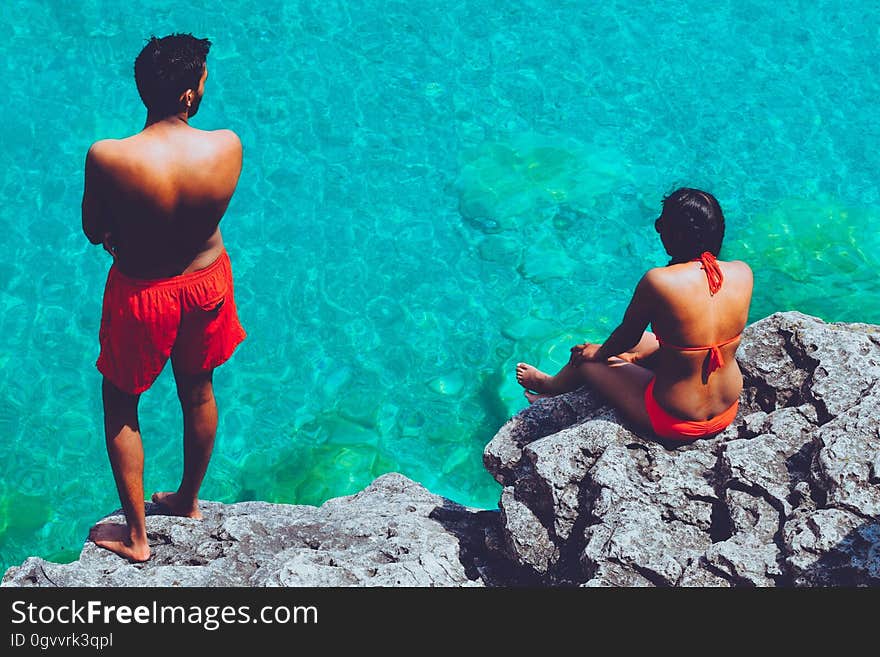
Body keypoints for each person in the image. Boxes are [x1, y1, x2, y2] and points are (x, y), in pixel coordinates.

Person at [81, 33, 245, 561]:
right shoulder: (226, 145)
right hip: (206, 282)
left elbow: (92, 229)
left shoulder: (108, 156)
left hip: (142, 293)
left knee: (121, 404)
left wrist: (121, 235)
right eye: (202, 79)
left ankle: (136, 536)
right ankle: (187, 500)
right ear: (188, 98)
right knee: (198, 391)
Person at [516, 188, 753, 443]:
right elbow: (695, 341)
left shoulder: (659, 281)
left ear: (678, 234)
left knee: (584, 359)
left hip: (675, 419)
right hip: (727, 408)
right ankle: (577, 382)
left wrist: (596, 353)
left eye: (661, 224)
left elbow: (627, 336)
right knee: (645, 343)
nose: (658, 229)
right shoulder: (742, 272)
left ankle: (548, 386)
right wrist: (636, 355)